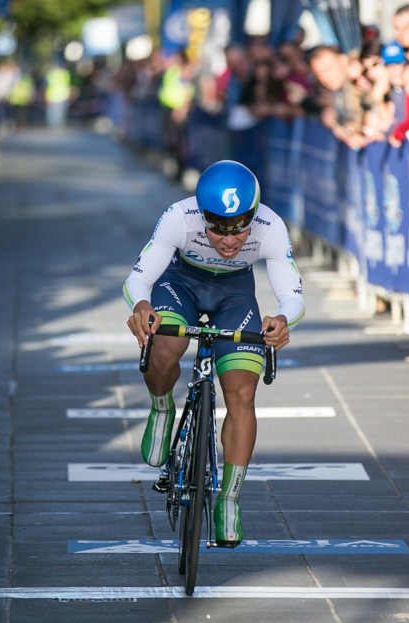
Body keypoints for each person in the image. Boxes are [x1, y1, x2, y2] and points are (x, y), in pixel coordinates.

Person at [124, 161, 305, 547]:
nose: (229, 238)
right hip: (180, 284)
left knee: (241, 393)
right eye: (217, 226)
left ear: (253, 214)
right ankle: (161, 408)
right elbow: (139, 276)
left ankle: (229, 498)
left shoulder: (271, 227)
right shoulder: (178, 217)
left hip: (235, 295)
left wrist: (282, 320)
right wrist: (141, 305)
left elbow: (292, 295)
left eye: (240, 226)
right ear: (201, 213)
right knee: (165, 346)